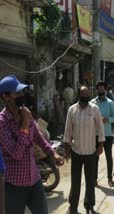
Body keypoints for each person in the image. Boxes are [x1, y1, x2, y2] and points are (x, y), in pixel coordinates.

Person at [0, 75, 63, 214]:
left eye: (22, 92)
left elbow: (40, 138)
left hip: (34, 180)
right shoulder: (2, 122)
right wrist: (25, 125)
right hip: (15, 185)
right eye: (18, 93)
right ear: (6, 97)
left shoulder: (25, 114)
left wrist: (54, 154)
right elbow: (16, 154)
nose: (22, 95)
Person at [64, 86, 105, 214]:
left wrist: (101, 145)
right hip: (76, 152)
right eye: (83, 94)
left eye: (88, 94)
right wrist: (67, 148)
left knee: (90, 181)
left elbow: (100, 128)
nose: (86, 96)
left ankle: (89, 205)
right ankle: (73, 206)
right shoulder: (72, 110)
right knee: (75, 182)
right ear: (79, 95)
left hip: (91, 152)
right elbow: (68, 131)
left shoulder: (94, 109)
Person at [91, 81, 114, 187]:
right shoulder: (92, 103)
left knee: (108, 157)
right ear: (97, 90)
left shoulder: (110, 102)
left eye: (103, 89)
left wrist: (108, 119)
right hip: (96, 134)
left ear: (105, 90)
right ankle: (94, 179)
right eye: (99, 89)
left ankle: (110, 178)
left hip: (107, 134)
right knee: (95, 157)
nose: (101, 90)